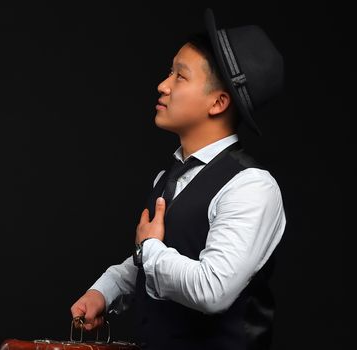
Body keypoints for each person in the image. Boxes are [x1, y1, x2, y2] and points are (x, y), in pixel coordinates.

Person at [70, 8, 286, 350]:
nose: (162, 85)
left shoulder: (251, 187)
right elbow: (157, 257)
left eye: (180, 77)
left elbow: (212, 289)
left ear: (218, 102)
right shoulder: (168, 176)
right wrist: (106, 289)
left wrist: (151, 248)